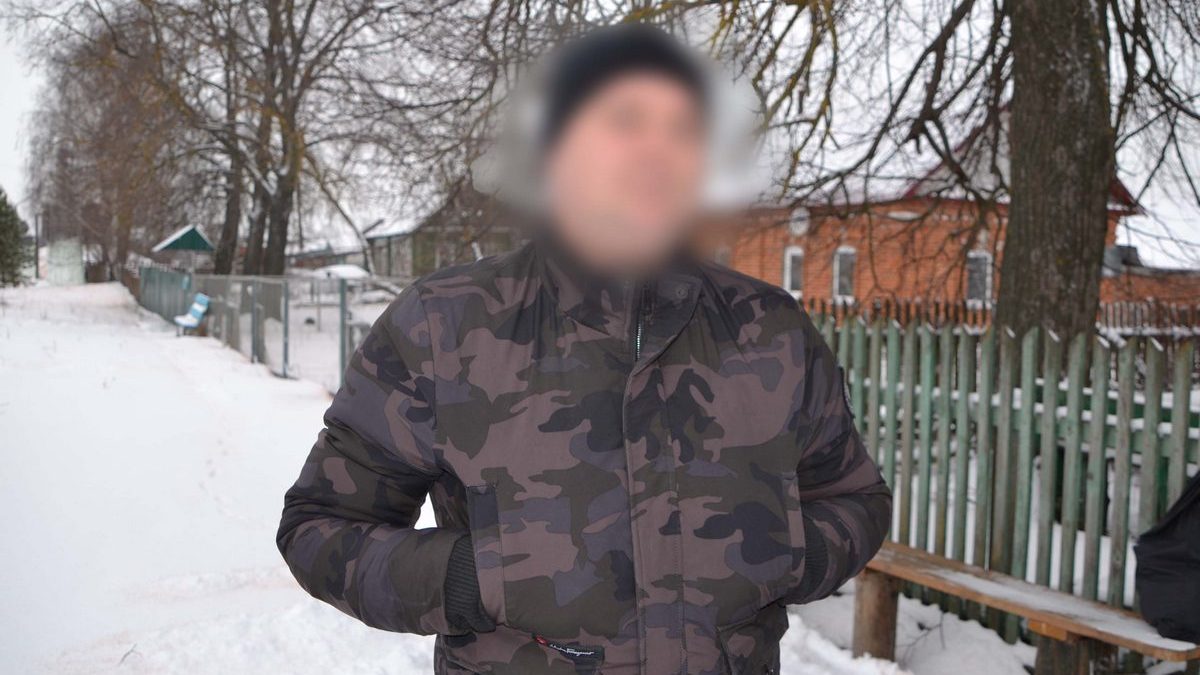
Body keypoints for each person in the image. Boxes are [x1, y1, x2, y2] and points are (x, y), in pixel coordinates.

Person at [277, 24, 892, 675]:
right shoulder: (444, 325)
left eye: (682, 128)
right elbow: (320, 527)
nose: (657, 150)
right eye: (625, 121)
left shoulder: (770, 328)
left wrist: (786, 553)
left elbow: (854, 497)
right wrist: (475, 578)